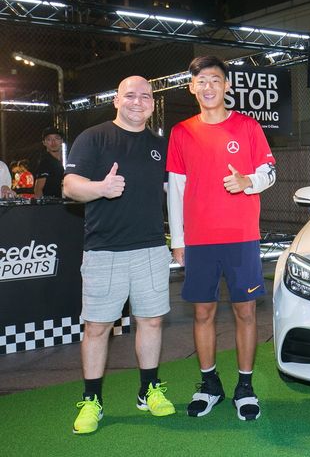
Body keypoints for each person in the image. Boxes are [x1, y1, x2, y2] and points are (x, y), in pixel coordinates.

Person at [63, 76, 175, 435]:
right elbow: (69, 186)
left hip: (151, 248)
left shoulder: (161, 145)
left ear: (153, 104)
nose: (137, 102)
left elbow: (176, 190)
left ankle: (148, 390)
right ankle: (92, 400)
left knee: (151, 322)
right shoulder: (93, 137)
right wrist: (101, 188)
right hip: (104, 251)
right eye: (130, 95)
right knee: (97, 328)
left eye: (145, 96)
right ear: (116, 100)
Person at [167, 56, 276, 421]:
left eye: (215, 80)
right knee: (203, 312)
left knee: (246, 311)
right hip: (199, 240)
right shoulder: (181, 132)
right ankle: (210, 384)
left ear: (227, 85)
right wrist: (178, 240)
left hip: (241, 237)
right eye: (202, 81)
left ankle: (245, 387)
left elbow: (269, 171)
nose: (209, 87)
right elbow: (176, 189)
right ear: (192, 87)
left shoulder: (248, 126)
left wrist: (249, 182)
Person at [34, 127, 65, 198]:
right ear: (44, 143)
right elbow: (38, 189)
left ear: (61, 141)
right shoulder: (45, 162)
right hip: (51, 203)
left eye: (56, 138)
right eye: (49, 139)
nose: (53, 142)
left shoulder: (64, 159)